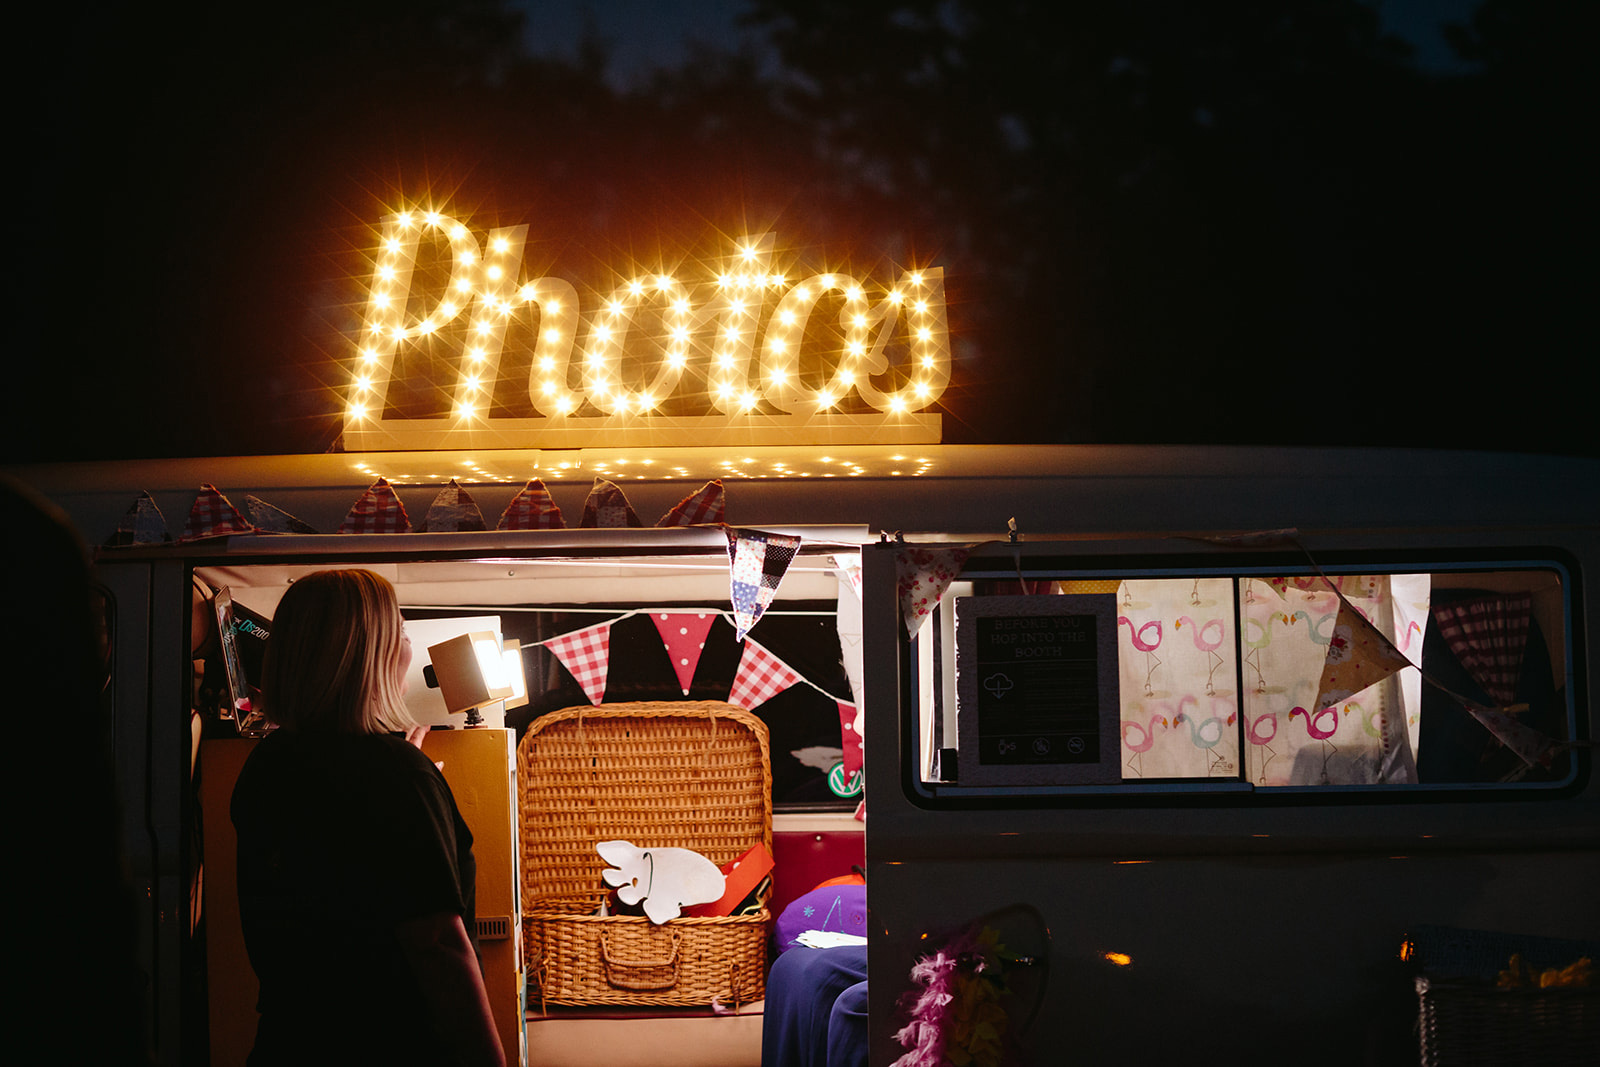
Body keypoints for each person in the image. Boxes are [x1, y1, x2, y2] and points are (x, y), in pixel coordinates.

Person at [230, 569, 504, 1066]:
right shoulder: (396, 776)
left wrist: (401, 769)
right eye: (399, 631)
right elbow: (438, 945)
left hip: (290, 1042)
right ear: (366, 652)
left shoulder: (266, 765)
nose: (407, 644)